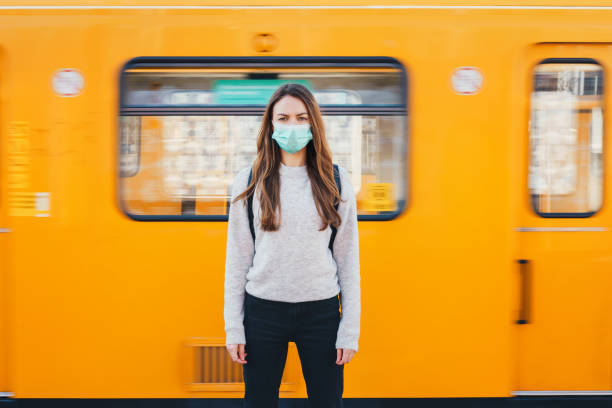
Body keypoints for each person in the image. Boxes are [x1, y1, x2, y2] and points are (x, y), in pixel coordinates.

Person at [223, 83, 361, 408]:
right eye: (283, 118)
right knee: (259, 402)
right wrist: (234, 328)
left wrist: (349, 330)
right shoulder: (249, 180)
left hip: (321, 311)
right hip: (263, 311)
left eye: (301, 118)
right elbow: (238, 259)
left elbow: (348, 260)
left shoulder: (335, 181)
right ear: (271, 125)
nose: (292, 126)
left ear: (313, 123)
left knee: (327, 402)